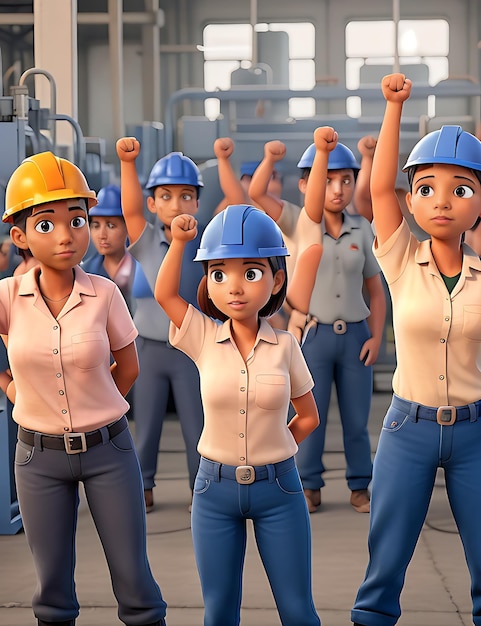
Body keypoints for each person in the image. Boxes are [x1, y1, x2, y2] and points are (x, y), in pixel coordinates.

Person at [0, 151, 167, 626]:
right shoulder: (8, 298)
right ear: (20, 236)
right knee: (51, 588)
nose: (67, 234)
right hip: (38, 457)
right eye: (46, 223)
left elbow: (128, 368)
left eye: (77, 220)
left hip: (108, 450)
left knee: (134, 581)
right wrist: (14, 392)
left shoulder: (105, 294)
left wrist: (95, 406)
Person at [351, 74, 481, 626]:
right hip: (410, 427)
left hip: (477, 431)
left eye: (462, 188)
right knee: (387, 555)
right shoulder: (401, 260)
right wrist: (393, 108)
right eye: (427, 188)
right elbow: (379, 191)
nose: (444, 201)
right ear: (411, 200)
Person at [155, 203, 321, 626]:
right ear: (208, 283)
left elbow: (308, 417)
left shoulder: (286, 347)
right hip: (214, 490)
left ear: (275, 279)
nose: (235, 287)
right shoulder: (203, 338)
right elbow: (165, 295)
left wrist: (277, 448)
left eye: (250, 273)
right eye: (218, 273)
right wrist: (178, 243)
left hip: (280, 490)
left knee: (298, 610)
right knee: (220, 611)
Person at [287, 128, 386, 514]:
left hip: (355, 335)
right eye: (327, 179)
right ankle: (309, 485)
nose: (338, 189)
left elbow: (375, 291)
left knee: (357, 419)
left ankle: (360, 485)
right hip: (314, 336)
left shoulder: (362, 229)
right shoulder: (302, 227)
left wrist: (377, 337)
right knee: (310, 415)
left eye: (346, 180)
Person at [116, 137, 204, 513]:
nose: (176, 204)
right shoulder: (147, 240)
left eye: (186, 196)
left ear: (198, 202)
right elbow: (130, 210)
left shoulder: (205, 245)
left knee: (197, 425)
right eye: (165, 196)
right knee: (145, 425)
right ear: (153, 203)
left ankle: (202, 487)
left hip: (191, 350)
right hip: (149, 349)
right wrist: (128, 164)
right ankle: (144, 485)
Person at [81, 184, 137, 312]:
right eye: (96, 226)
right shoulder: (85, 273)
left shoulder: (143, 267)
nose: (102, 235)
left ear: (127, 227)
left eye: (111, 226)